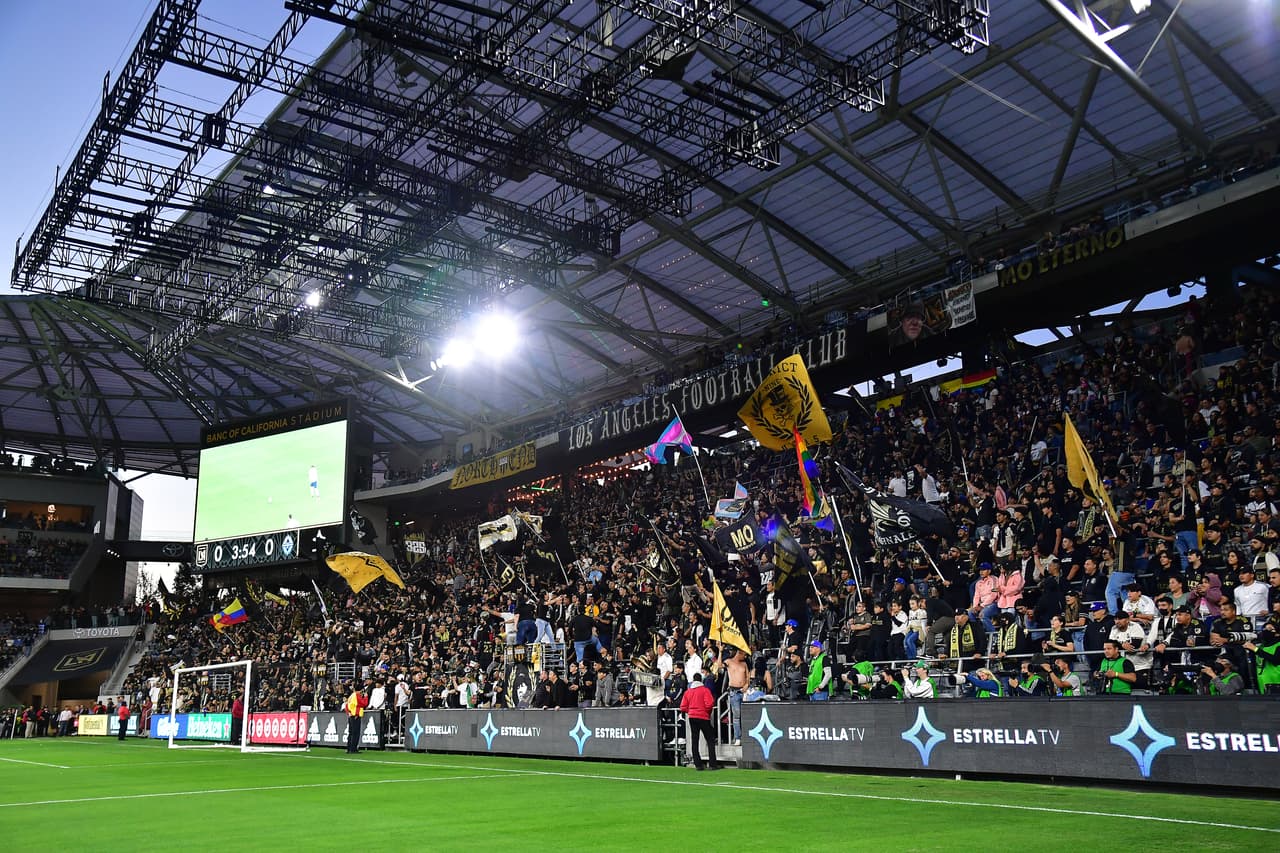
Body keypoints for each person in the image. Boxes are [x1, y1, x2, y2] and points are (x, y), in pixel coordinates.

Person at [678, 672, 720, 771]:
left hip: (692, 717)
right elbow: (709, 704)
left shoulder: (688, 692)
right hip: (703, 717)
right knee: (710, 739)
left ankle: (698, 764)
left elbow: (683, 707)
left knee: (694, 740)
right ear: (701, 680)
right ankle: (712, 764)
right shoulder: (705, 690)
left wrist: (691, 711)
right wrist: (706, 712)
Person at [345, 682, 368, 754]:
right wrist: (366, 697)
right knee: (355, 733)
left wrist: (349, 713)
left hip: (351, 715)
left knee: (351, 732)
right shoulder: (357, 695)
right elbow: (363, 704)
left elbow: (346, 705)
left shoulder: (351, 695)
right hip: (356, 715)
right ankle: (353, 749)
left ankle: (349, 748)